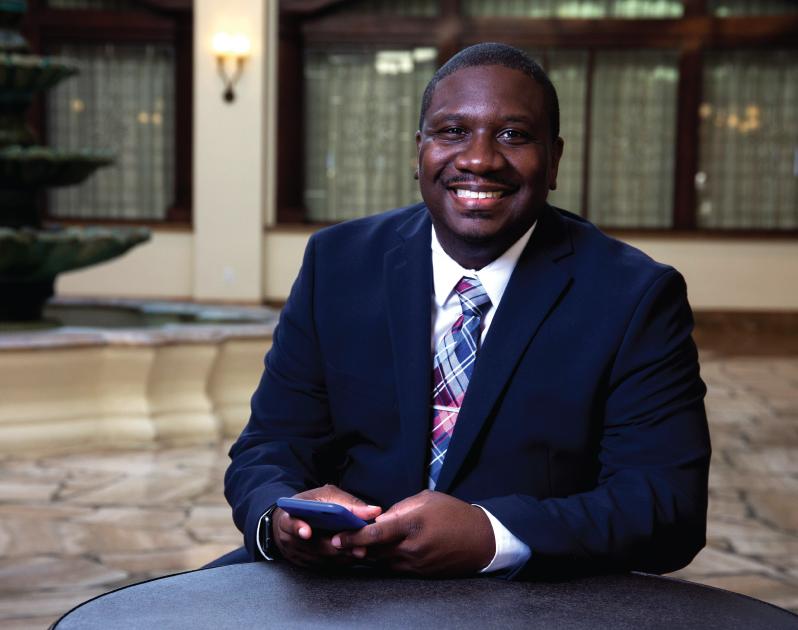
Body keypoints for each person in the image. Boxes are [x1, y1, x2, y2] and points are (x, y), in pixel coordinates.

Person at [220, 42, 711, 579]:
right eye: (453, 131)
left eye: (513, 135)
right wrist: (284, 522)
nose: (479, 159)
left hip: (527, 594)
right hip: (339, 579)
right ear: (420, 152)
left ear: (554, 159)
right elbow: (270, 445)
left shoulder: (634, 296)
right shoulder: (336, 263)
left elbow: (667, 507)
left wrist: (492, 535)